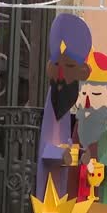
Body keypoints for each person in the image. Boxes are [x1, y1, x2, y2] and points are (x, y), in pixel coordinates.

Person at [36, 13, 92, 198]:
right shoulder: (54, 103)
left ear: (82, 72)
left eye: (68, 67)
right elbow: (48, 149)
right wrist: (65, 154)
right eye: (57, 65)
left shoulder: (67, 109)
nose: (61, 74)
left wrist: (77, 154)